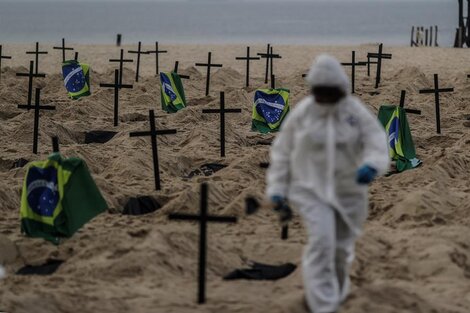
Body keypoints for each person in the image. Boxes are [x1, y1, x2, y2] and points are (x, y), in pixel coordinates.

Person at [266, 55, 389, 313]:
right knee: (322, 242)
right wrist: (277, 188)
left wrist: (373, 164)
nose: (323, 98)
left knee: (341, 251)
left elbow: (376, 140)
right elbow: (282, 151)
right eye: (319, 92)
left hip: (349, 191)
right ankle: (322, 305)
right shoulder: (304, 113)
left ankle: (337, 294)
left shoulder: (354, 112)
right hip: (310, 190)